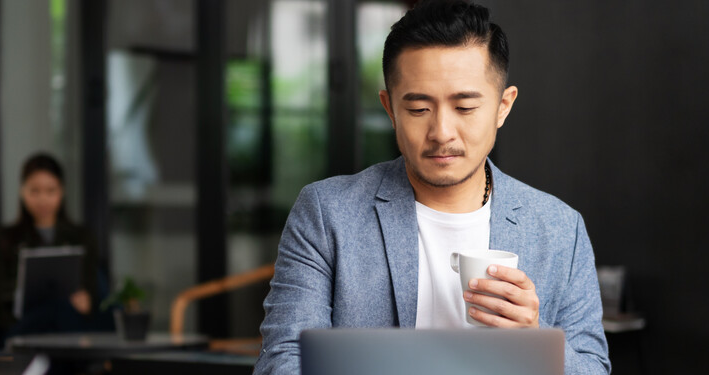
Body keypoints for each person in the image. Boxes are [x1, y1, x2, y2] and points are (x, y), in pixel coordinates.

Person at [254, 1, 610, 374]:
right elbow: (282, 361)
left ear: (503, 107)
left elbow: (593, 368)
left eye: (465, 108)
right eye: (419, 109)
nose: (441, 133)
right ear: (390, 109)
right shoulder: (327, 213)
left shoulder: (559, 228)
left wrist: (534, 342)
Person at [0, 153, 111, 343]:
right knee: (54, 311)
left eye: (50, 191)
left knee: (62, 312)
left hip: (68, 320)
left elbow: (91, 288)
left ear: (62, 191)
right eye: (35, 191)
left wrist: (86, 300)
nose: (43, 200)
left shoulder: (82, 237)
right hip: (23, 324)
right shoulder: (2, 238)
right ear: (22, 191)